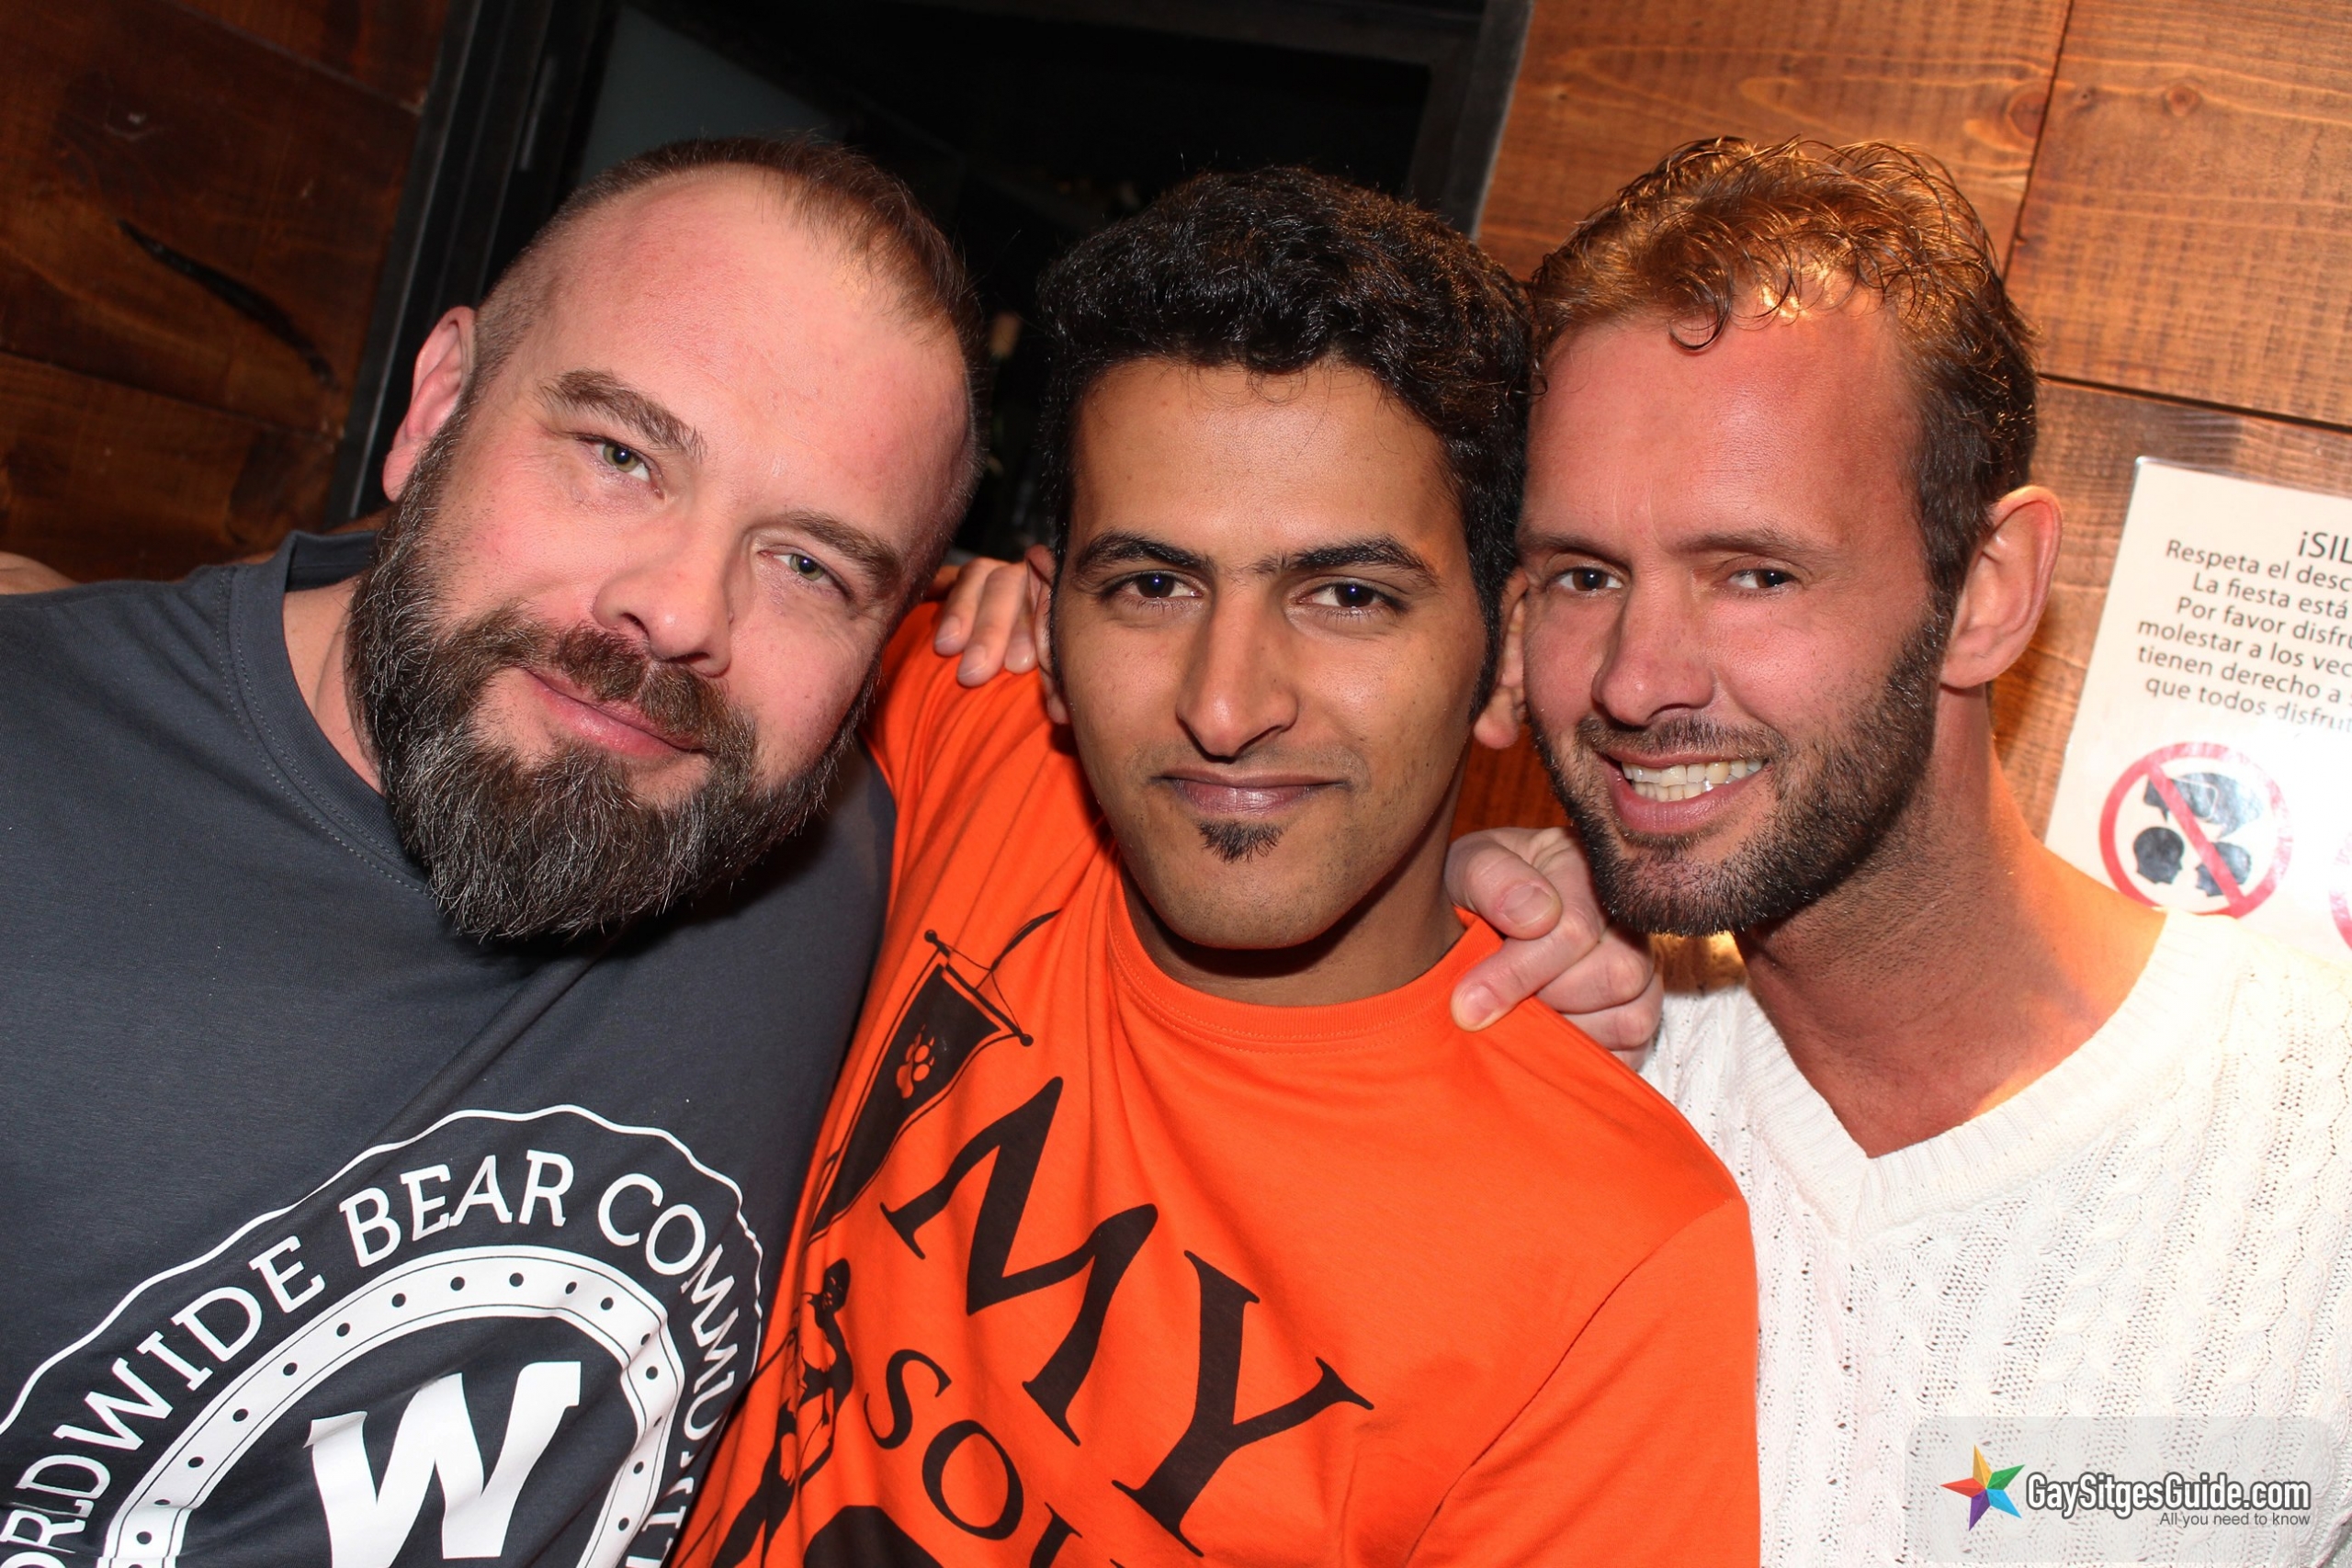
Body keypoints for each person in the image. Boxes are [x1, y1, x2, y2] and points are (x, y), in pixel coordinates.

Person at [0, 137, 1646, 1567]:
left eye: (809, 564)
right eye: (619, 455)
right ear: (438, 402)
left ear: (903, 621)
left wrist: (1491, 867)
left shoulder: (848, 805)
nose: (678, 613)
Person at [678, 168, 1759, 1568]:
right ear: (1051, 623)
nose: (1228, 703)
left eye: (1347, 597)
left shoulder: (1617, 1258)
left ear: (1508, 656)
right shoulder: (974, 732)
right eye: (1152, 586)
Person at [1491, 137, 2352, 1564]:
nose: (1636, 680)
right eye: (1583, 574)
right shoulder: (1545, 1032)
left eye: (1755, 573)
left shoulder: (2318, 1145)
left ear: (1987, 593)